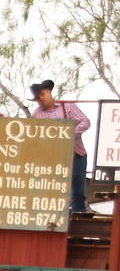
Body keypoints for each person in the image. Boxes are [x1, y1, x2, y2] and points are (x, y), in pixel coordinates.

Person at [30, 79, 90, 213]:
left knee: (77, 192)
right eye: (38, 98)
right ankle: (55, 219)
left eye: (42, 95)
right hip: (53, 158)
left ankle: (76, 222)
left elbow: (85, 122)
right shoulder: (36, 114)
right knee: (54, 190)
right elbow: (35, 137)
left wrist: (68, 135)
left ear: (49, 92)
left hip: (76, 155)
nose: (41, 99)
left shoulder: (67, 106)